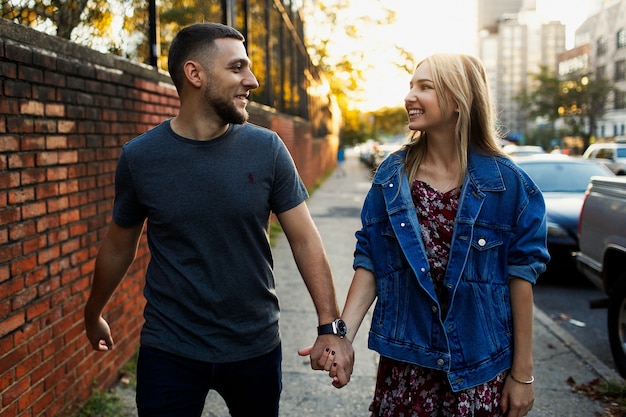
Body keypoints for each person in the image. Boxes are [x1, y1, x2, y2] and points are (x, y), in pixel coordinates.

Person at [83, 22, 347, 417]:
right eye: (237, 68)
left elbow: (306, 240)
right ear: (195, 74)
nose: (252, 81)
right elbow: (119, 245)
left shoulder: (267, 148)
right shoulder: (141, 158)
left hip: (254, 344)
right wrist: (94, 313)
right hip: (169, 348)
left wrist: (330, 326)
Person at [306, 53, 550, 417]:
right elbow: (372, 260)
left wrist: (523, 374)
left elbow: (521, 279)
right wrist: (343, 338)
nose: (410, 96)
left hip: (479, 371)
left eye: (425, 87)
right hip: (406, 368)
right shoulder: (391, 175)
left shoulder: (509, 186)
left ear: (458, 100)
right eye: (410, 86)